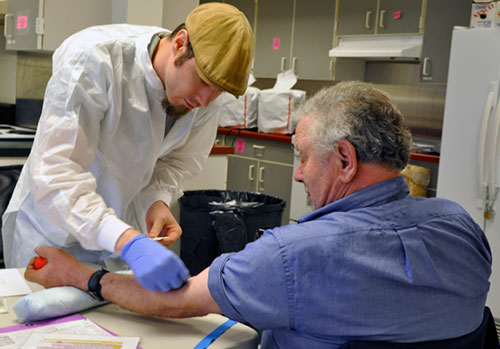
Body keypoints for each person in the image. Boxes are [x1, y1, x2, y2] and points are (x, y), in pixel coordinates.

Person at [25, 81, 492, 348]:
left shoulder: (292, 256)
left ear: (345, 160)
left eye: (304, 157)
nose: (299, 175)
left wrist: (81, 276)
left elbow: (175, 301)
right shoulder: (460, 226)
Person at [3, 2, 255, 293]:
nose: (206, 101)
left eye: (218, 90)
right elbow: (57, 176)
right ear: (181, 43)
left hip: (119, 245)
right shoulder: (93, 60)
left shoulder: (204, 94)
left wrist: (157, 201)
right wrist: (128, 241)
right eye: (202, 81)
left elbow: (174, 162)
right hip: (54, 235)